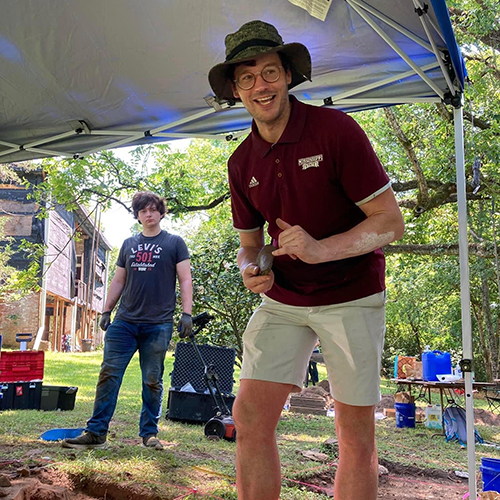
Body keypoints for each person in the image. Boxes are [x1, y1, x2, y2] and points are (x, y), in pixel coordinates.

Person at [208, 20, 405, 500]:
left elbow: (389, 221)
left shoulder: (336, 130)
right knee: (249, 417)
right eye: (248, 78)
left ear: (289, 76)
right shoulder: (241, 162)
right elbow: (251, 244)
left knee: (354, 433)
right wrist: (251, 269)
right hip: (284, 297)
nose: (262, 86)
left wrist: (321, 249)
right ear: (236, 90)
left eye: (270, 72)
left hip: (352, 293)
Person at [62, 191, 193, 450]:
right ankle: (96, 432)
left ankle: (149, 435)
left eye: (153, 209)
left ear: (161, 213)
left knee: (152, 379)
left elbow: (185, 279)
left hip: (158, 323)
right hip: (125, 321)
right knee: (108, 374)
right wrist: (106, 309)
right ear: (137, 215)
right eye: (143, 210)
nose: (149, 214)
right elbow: (118, 280)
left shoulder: (175, 243)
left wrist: (186, 313)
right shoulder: (129, 245)